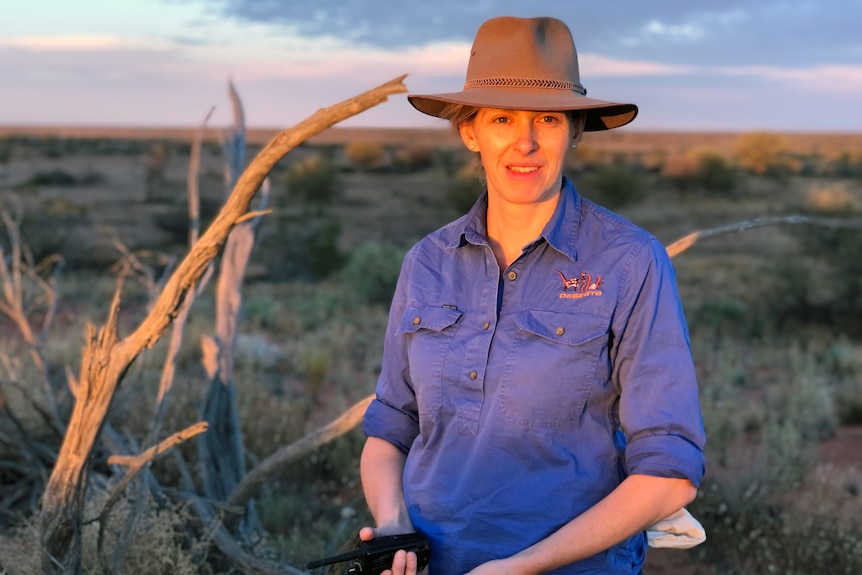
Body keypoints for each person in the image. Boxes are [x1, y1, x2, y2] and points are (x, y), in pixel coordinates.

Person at [359, 15, 706, 575]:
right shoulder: (427, 261)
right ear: (470, 132)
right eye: (501, 119)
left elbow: (670, 472)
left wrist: (520, 567)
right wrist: (396, 527)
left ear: (575, 130)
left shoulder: (631, 261)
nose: (525, 142)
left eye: (547, 118)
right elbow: (392, 424)